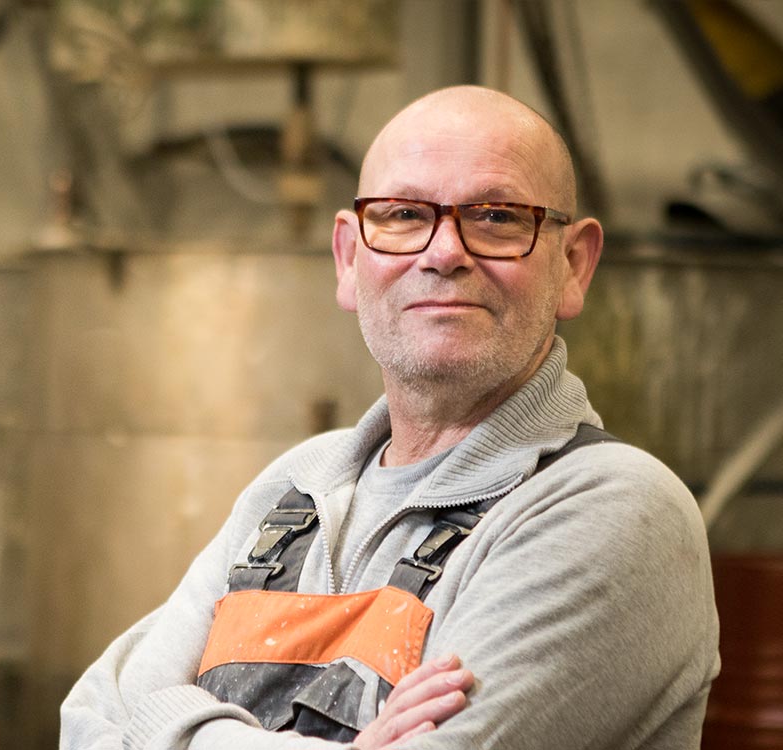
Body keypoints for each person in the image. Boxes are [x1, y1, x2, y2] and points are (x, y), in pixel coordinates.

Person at [59, 85, 719, 750]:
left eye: (497, 217)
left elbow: (130, 719)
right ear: (349, 259)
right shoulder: (294, 487)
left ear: (573, 265)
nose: (444, 252)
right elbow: (88, 718)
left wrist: (167, 727)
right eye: (403, 214)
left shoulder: (613, 508)